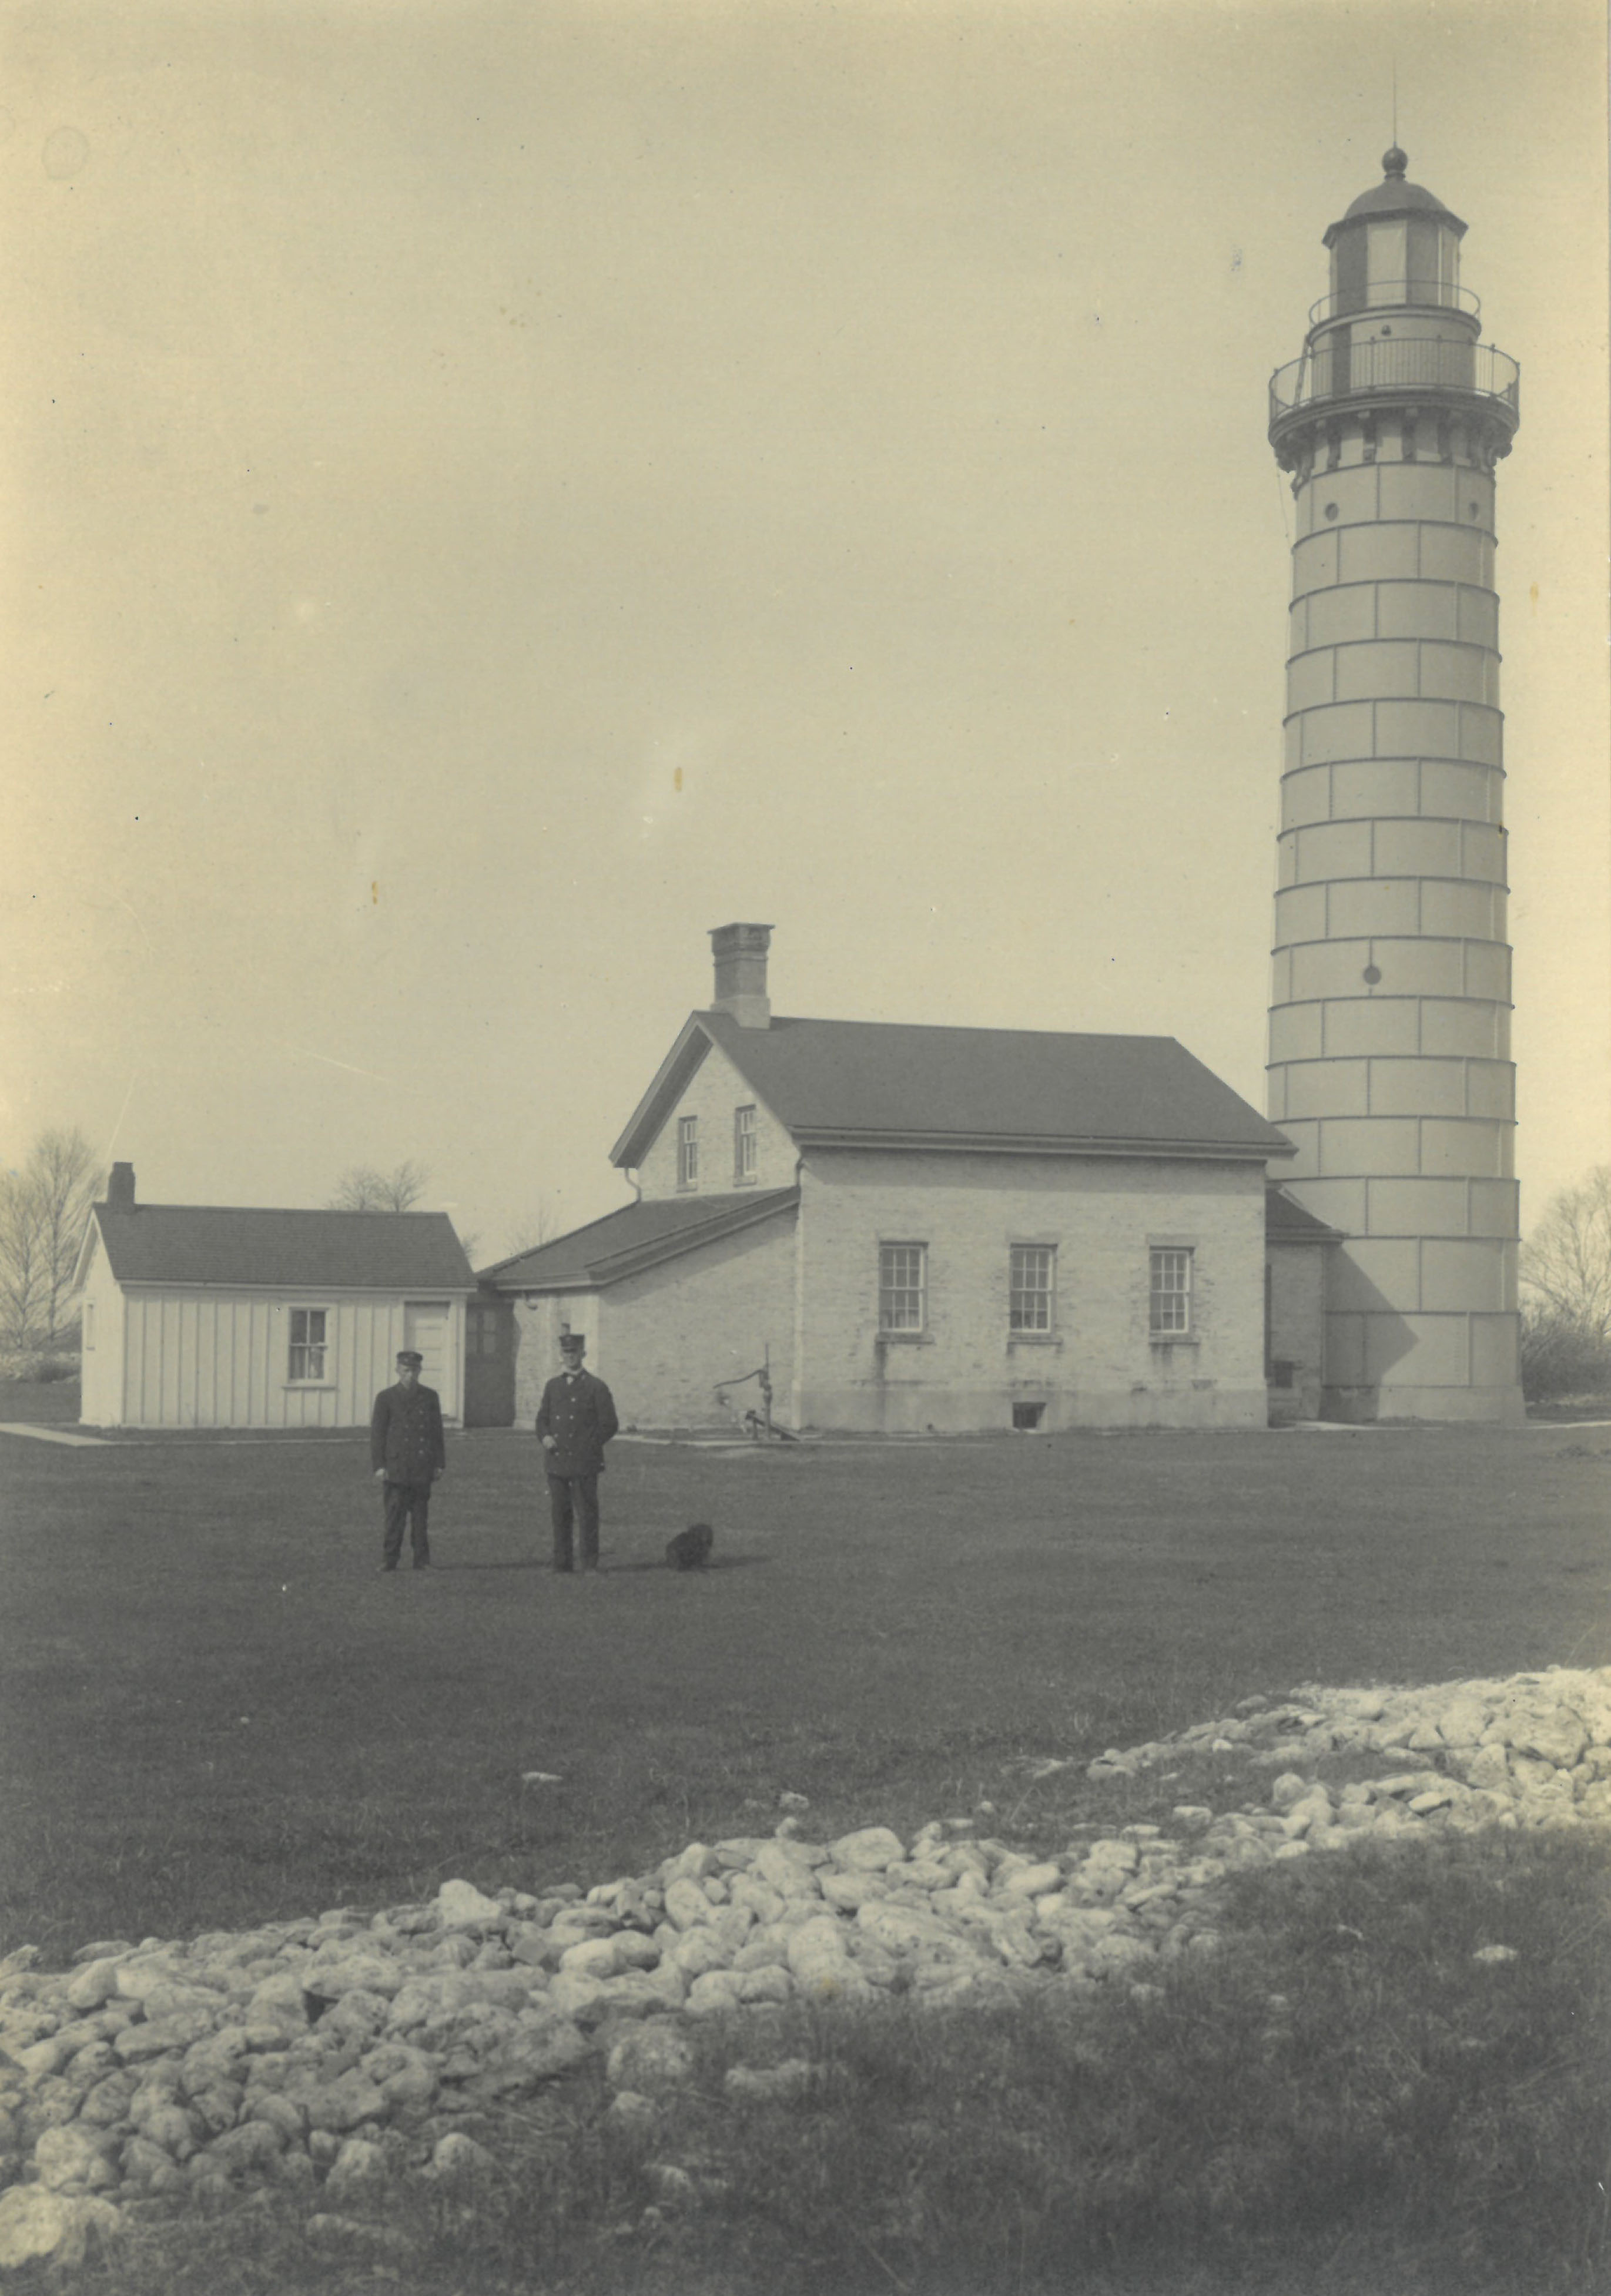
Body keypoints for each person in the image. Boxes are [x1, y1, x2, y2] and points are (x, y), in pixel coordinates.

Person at [534, 1332, 619, 1573]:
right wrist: (545, 1436)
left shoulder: (596, 1387)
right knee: (560, 1515)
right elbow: (542, 1419)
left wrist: (588, 1447)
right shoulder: (553, 1386)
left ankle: (590, 1563)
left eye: (574, 1352)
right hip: (557, 1461)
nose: (570, 1357)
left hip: (584, 1463)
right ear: (561, 1356)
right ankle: (562, 1563)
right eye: (566, 1353)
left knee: (587, 1514)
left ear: (583, 1354)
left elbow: (609, 1425)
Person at [370, 1349, 446, 1572]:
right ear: (397, 1371)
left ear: (420, 1371)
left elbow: (436, 1433)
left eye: (414, 1371)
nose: (410, 1375)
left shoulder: (430, 1397)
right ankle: (389, 1559)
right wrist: (379, 1466)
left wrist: (439, 1463)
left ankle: (422, 1560)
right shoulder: (386, 1398)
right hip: (397, 1466)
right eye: (405, 1371)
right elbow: (378, 1434)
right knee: (395, 1516)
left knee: (421, 1518)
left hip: (422, 1466)